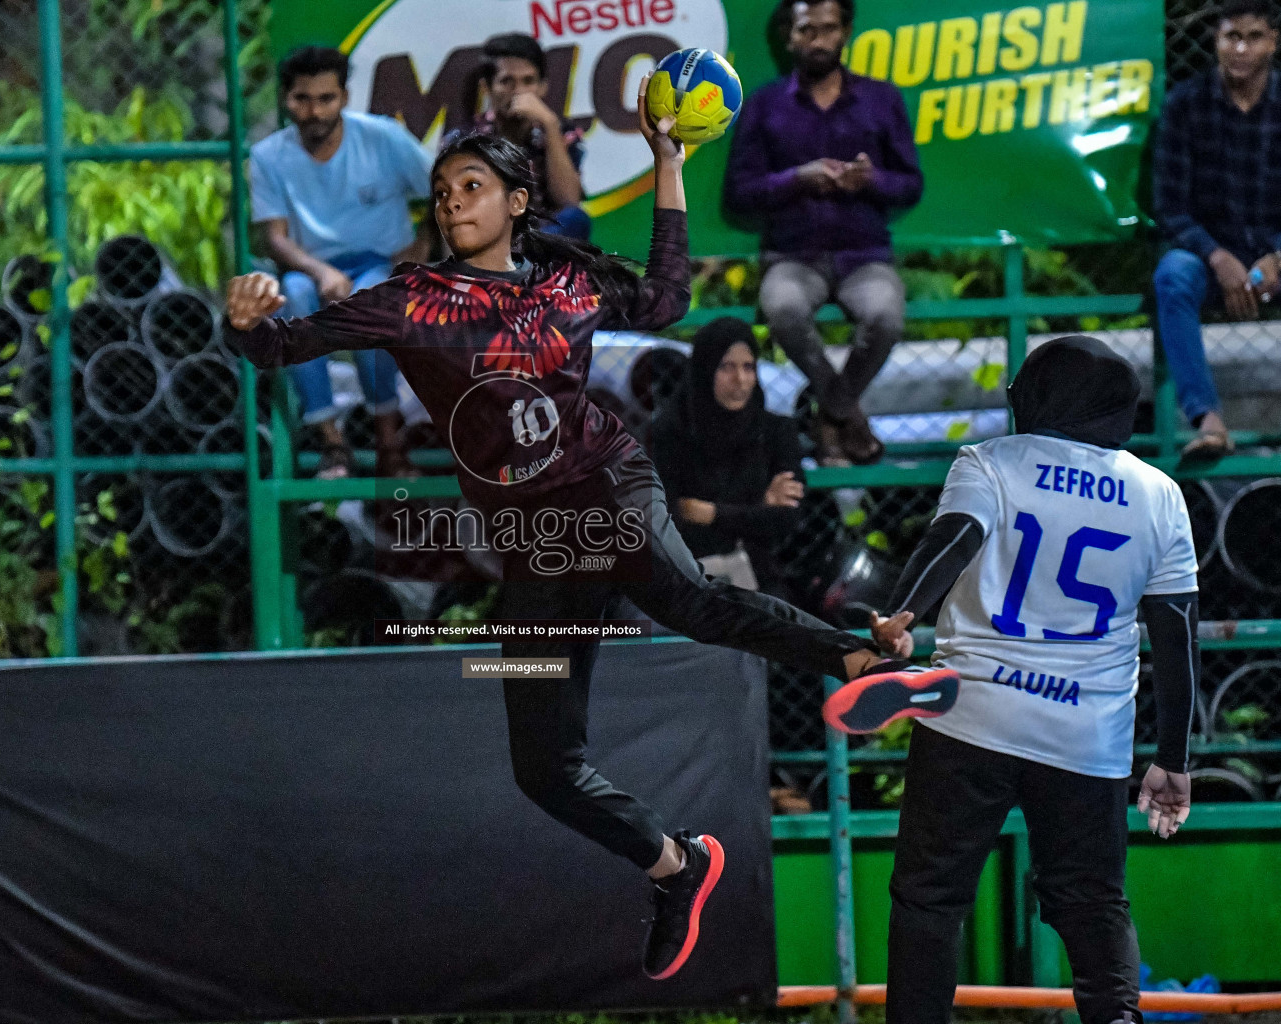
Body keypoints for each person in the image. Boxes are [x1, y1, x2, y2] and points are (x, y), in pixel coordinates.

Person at [224, 79, 956, 981]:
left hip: (610, 483)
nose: (452, 200)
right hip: (537, 544)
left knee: (689, 599)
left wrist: (667, 164)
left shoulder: (568, 277)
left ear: (518, 202)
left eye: (472, 186)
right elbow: (279, 348)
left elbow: (665, 302)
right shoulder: (410, 299)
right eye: (443, 189)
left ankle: (863, 659)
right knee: (543, 767)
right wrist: (248, 317)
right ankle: (677, 865)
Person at [826, 337, 1200, 1024]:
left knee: (929, 900)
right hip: (1086, 736)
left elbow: (956, 537)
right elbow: (1177, 637)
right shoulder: (1160, 495)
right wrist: (1172, 759)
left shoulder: (991, 462)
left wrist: (908, 611)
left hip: (974, 715)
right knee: (1091, 903)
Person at [724, 0, 923, 467]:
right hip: (793, 256)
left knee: (886, 317)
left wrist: (870, 179)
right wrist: (798, 178)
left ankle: (828, 416)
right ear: (790, 37)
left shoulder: (881, 99)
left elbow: (910, 184)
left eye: (828, 29)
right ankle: (848, 416)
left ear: (846, 32)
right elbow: (740, 192)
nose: (817, 41)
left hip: (864, 256)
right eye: (806, 30)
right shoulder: (765, 103)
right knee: (783, 309)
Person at [248, 45, 430, 478]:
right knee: (290, 296)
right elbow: (274, 237)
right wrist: (320, 271)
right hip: (312, 267)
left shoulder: (383, 137)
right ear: (286, 99)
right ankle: (332, 443)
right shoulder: (268, 156)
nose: (314, 111)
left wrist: (422, 248)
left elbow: (444, 193)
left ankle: (390, 443)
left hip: (378, 263)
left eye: (325, 98)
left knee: (372, 297)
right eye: (302, 99)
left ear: (345, 97)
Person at [1152, 0, 1281, 460]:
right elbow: (1169, 207)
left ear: (1273, 42)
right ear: (1216, 41)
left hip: (1273, 257)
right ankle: (1208, 422)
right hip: (1209, 256)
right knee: (1173, 276)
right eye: (1231, 37)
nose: (1241, 48)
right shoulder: (1186, 104)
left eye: (1253, 37)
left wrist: (1277, 258)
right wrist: (1217, 256)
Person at [651, 316, 806, 602]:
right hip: (682, 574)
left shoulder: (775, 432)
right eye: (726, 367)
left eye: (749, 367)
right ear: (704, 370)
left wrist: (711, 513)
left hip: (755, 573)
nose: (741, 380)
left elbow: (786, 521)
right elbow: (668, 524)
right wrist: (757, 506)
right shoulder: (668, 434)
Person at [472, 32, 591, 240]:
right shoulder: (468, 141)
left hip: (548, 241)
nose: (518, 91)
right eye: (507, 81)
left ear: (543, 87)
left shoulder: (561, 131)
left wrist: (550, 126)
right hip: (496, 244)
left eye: (528, 81)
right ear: (487, 88)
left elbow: (569, 201)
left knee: (575, 219)